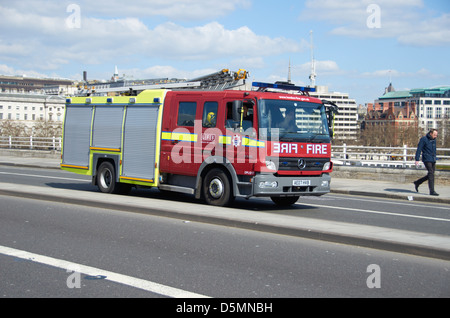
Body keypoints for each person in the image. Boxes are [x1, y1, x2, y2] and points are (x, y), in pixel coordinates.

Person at [413, 129, 439, 196]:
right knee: (430, 173)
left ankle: (418, 182)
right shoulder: (423, 139)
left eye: (436, 135)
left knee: (431, 174)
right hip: (426, 158)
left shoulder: (434, 140)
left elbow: (434, 149)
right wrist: (417, 159)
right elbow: (419, 149)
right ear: (430, 133)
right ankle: (432, 191)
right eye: (434, 135)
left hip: (433, 158)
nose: (435, 136)